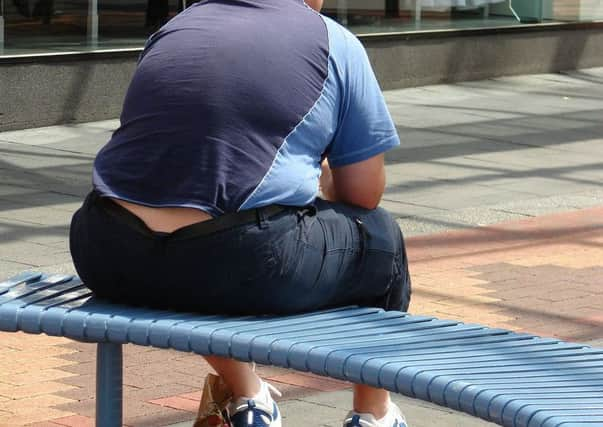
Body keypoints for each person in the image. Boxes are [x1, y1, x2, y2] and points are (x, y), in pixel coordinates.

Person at [69, 0, 412, 426]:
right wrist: (322, 179)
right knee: (381, 238)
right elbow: (363, 194)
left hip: (105, 250)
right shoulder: (332, 41)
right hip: (239, 262)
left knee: (195, 246)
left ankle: (250, 398)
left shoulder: (178, 25)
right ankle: (373, 412)